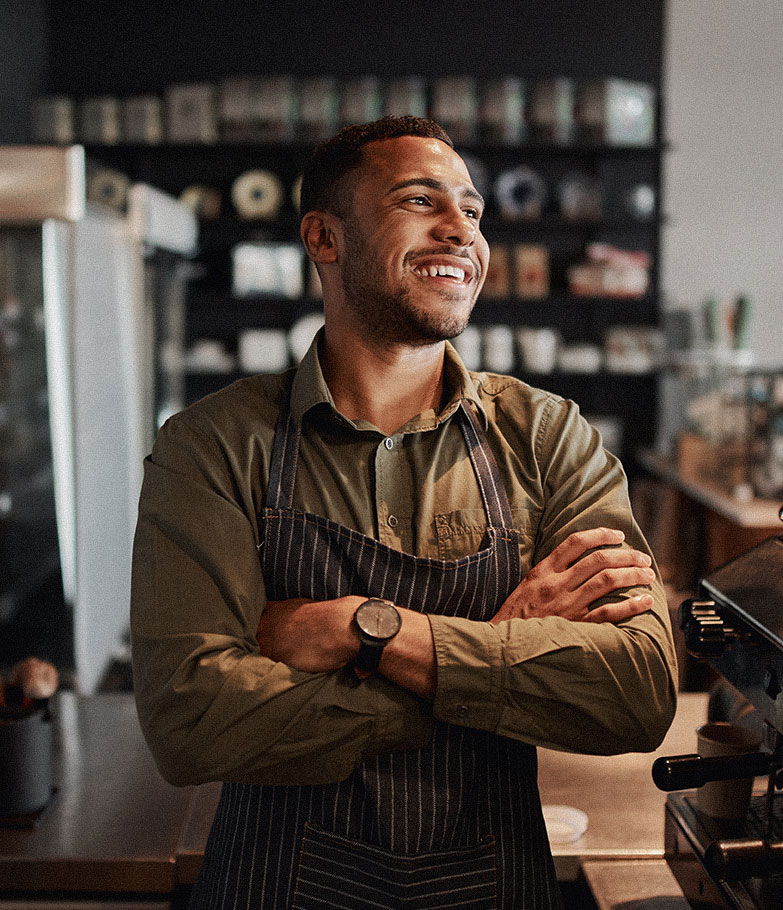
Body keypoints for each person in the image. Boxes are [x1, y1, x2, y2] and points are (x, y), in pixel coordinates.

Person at [130, 115, 677, 910]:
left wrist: (361, 629)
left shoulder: (546, 435)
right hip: (275, 887)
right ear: (325, 237)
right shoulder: (212, 447)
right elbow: (192, 722)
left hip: (497, 887)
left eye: (472, 210)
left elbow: (635, 693)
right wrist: (490, 650)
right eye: (421, 201)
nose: (460, 230)